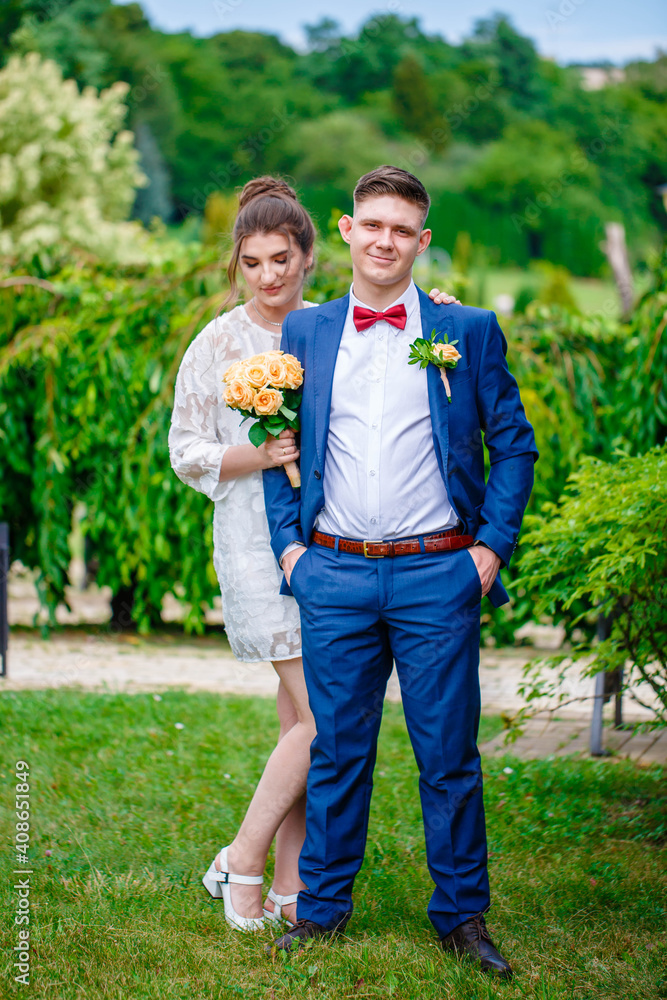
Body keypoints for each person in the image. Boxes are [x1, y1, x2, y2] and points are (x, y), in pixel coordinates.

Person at [263, 165, 538, 978]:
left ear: (422, 241)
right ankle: (320, 910)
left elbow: (513, 444)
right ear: (347, 230)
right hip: (334, 574)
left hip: (436, 573)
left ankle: (461, 917)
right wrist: (291, 550)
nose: (384, 241)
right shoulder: (305, 333)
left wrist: (489, 547)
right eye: (371, 225)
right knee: (337, 750)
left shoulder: (468, 330)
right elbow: (279, 446)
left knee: (447, 754)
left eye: (401, 230)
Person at [168, 175, 458, 932]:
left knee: (298, 723)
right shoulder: (219, 343)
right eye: (252, 263)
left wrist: (441, 315)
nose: (268, 276)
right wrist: (259, 454)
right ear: (237, 264)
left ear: (307, 257)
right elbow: (185, 451)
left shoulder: (331, 328)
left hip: (330, 553)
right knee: (325, 722)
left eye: (281, 260)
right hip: (255, 547)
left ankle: (291, 885)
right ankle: (240, 860)